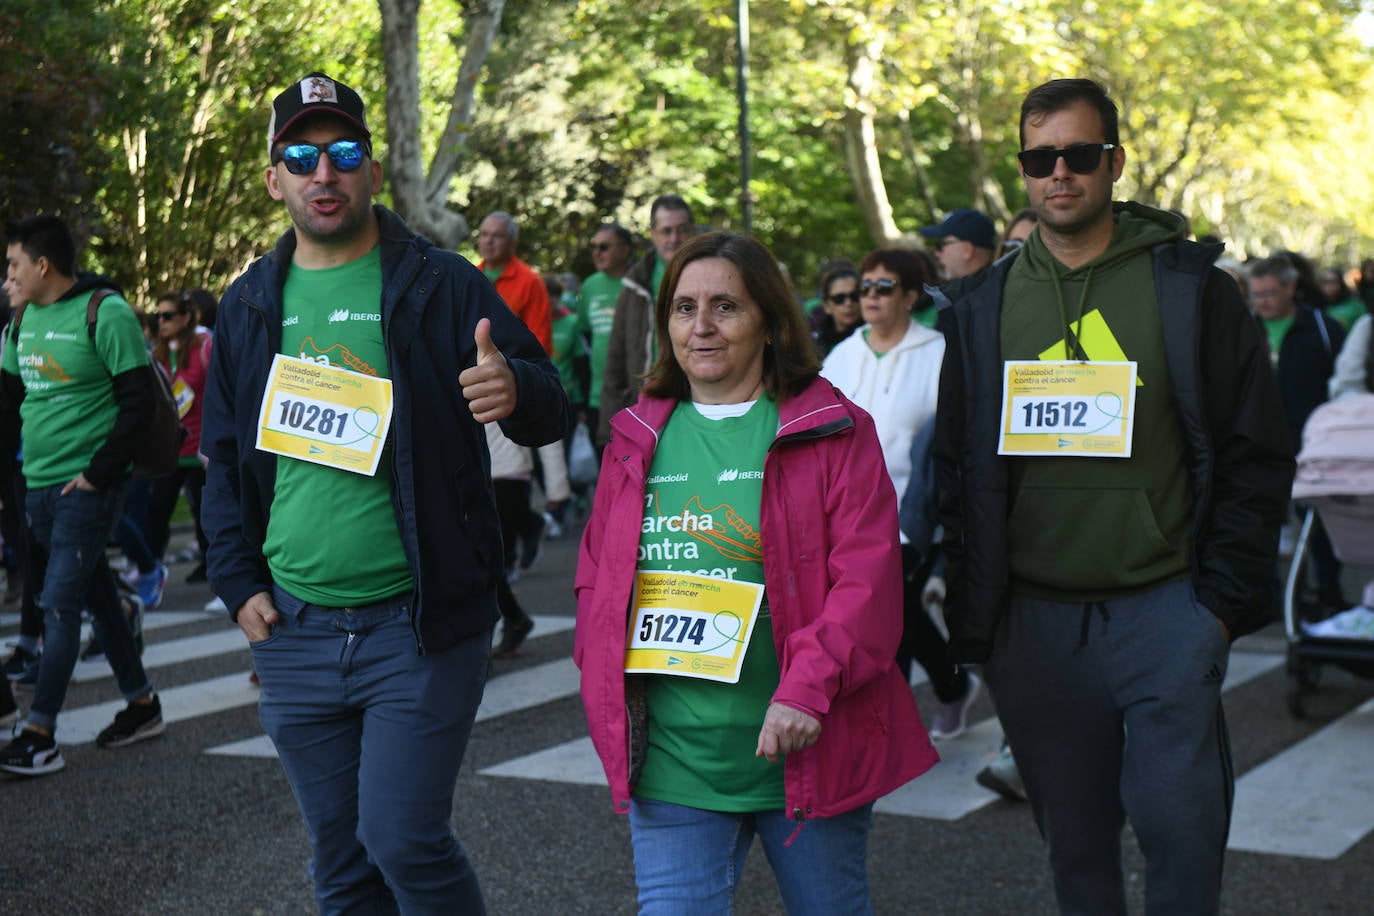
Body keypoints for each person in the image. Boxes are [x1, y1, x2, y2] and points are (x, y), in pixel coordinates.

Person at [200, 72, 568, 913]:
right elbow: (222, 454)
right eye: (300, 155)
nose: (321, 173)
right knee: (341, 868)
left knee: (403, 839)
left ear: (371, 170)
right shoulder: (251, 301)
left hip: (418, 623)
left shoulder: (442, 283)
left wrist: (516, 390)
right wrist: (236, 578)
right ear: (275, 178)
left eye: (342, 153)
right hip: (293, 630)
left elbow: (551, 399)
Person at [931, 79, 1293, 914]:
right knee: (1077, 854)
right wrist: (980, 606)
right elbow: (954, 464)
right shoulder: (980, 307)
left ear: (1114, 162)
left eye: (1080, 155)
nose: (1060, 172)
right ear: (1022, 171)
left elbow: (1254, 450)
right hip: (1036, 623)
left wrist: (1220, 603)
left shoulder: (1191, 289)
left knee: (1182, 839)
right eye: (1039, 157)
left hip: (1167, 609)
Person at [576, 230, 936, 914]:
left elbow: (868, 585)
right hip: (674, 760)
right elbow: (596, 578)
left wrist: (805, 693)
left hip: (809, 746)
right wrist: (600, 679)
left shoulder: (834, 429)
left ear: (770, 323)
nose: (701, 326)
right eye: (684, 308)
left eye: (725, 307)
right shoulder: (634, 437)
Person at [0, 215, 164, 777]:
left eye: (13, 264)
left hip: (86, 489)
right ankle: (142, 704)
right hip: (36, 486)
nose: (7, 278)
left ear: (42, 266)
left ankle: (40, 732)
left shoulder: (105, 312)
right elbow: (8, 406)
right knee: (96, 595)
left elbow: (138, 403)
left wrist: (97, 474)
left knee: (59, 605)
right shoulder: (20, 323)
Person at [821, 248, 979, 739]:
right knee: (896, 613)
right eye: (866, 285)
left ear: (911, 296)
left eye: (884, 286)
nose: (870, 295)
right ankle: (952, 686)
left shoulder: (938, 353)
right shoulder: (843, 354)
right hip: (844, 513)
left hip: (912, 513)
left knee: (889, 610)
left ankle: (887, 726)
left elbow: (952, 446)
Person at [1250, 254, 1347, 611]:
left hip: (1313, 446)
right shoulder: (1245, 326)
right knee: (1263, 526)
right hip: (1259, 447)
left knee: (1317, 524)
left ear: (1291, 288)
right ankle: (1276, 598)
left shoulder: (1323, 329)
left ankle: (1328, 592)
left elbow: (1342, 385)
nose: (1263, 302)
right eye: (1256, 294)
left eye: (1270, 292)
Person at [596, 193, 694, 448]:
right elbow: (616, 359)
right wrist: (609, 428)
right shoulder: (634, 283)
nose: (674, 238)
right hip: (646, 405)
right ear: (653, 233)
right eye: (666, 231)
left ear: (691, 230)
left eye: (682, 230)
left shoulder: (711, 272)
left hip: (698, 401)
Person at [142, 290, 213, 583]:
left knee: (203, 513)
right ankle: (149, 566)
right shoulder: (158, 352)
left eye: (168, 315)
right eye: (158, 316)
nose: (162, 321)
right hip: (169, 449)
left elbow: (217, 394)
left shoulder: (204, 347)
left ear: (186, 317)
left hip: (199, 447)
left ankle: (211, 568)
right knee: (157, 509)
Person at [576, 222, 633, 440]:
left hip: (636, 389)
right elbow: (586, 334)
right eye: (595, 247)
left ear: (624, 250)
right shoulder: (590, 285)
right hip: (598, 393)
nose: (597, 253)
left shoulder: (639, 280)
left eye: (604, 247)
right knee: (605, 455)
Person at [477, 209, 552, 353]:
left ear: (513, 243)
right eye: (484, 234)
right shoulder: (470, 275)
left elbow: (540, 342)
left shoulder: (530, 282)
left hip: (512, 368)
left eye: (497, 236)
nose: (488, 241)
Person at [920, 207, 996, 282]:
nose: (937, 253)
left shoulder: (986, 292)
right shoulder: (997, 284)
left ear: (967, 250)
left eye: (940, 245)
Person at [811, 261, 861, 358]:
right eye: (839, 298)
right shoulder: (814, 346)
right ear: (827, 306)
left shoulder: (874, 340)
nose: (848, 303)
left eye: (854, 296)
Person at [1317, 266, 1365, 330]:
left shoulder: (1355, 305)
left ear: (1341, 283)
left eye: (1333, 282)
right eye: (1325, 282)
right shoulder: (1317, 308)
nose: (1329, 286)